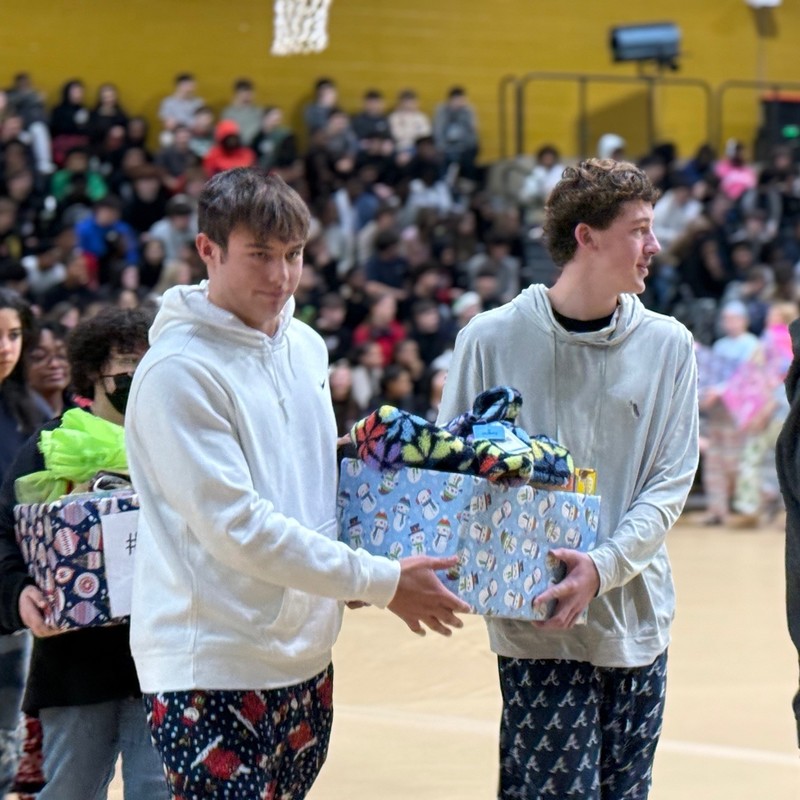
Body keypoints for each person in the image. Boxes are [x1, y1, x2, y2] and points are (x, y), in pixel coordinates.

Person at [124, 168, 469, 799]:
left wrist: (372, 523)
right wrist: (381, 579)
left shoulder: (306, 346)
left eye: (293, 255)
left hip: (308, 655)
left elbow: (310, 481)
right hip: (212, 666)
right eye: (259, 255)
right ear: (209, 250)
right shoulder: (176, 373)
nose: (281, 277)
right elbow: (238, 528)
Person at [438, 158, 699, 799]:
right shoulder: (489, 340)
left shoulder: (670, 346)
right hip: (535, 624)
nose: (654, 246)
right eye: (639, 230)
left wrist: (603, 566)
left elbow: (669, 483)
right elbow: (449, 472)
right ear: (586, 237)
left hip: (634, 620)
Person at [0, 306, 169, 800]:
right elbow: (4, 536)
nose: (139, 379)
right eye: (125, 370)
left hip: (164, 656)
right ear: (93, 373)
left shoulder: (183, 444)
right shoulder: (51, 446)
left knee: (155, 790)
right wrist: (19, 596)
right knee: (70, 790)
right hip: (73, 661)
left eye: (151, 366)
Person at [0, 289, 47, 799]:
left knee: (5, 738)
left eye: (14, 335)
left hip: (10, 593)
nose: (5, 346)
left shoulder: (28, 410)